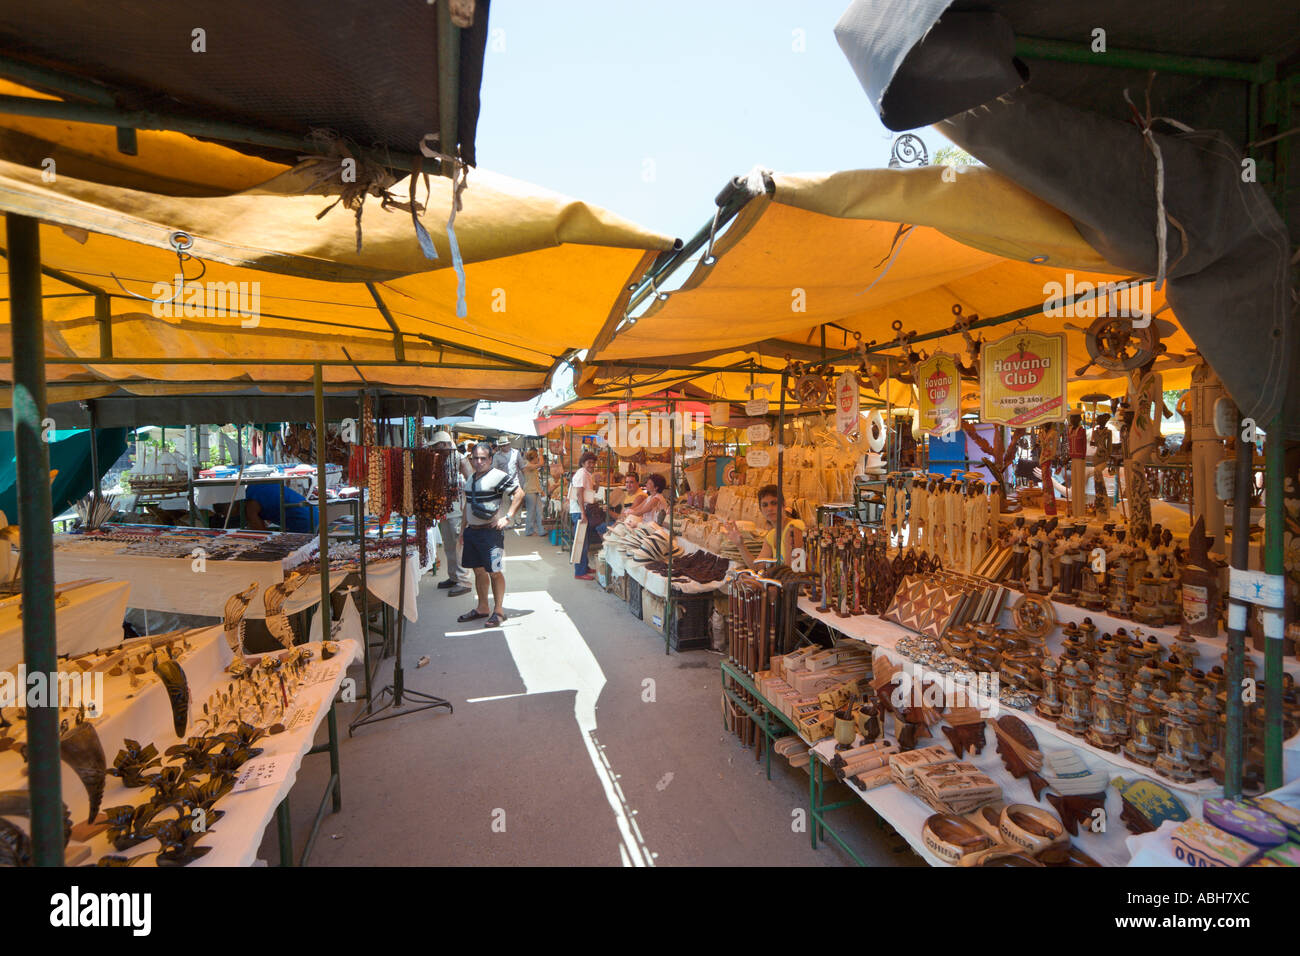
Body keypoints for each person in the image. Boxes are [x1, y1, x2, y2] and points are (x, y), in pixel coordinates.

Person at [457, 441, 525, 627]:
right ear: (471, 459)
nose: (479, 462)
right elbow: (467, 507)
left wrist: (508, 517)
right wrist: (463, 530)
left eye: (483, 458)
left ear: (490, 459)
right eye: (475, 458)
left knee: (494, 571)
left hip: (491, 533)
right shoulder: (471, 478)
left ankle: (499, 611)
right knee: (478, 570)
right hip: (473, 532)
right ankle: (482, 607)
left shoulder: (498, 476)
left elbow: (519, 493)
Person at [725, 483, 805, 569]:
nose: (769, 508)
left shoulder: (793, 528)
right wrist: (740, 545)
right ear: (760, 510)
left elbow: (791, 570)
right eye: (765, 505)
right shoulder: (771, 536)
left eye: (774, 503)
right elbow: (758, 566)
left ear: (783, 505)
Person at [433, 431, 472, 596]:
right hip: (444, 505)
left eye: (437, 445)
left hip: (457, 505)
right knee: (449, 543)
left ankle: (464, 580)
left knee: (458, 543)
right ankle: (454, 577)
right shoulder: (440, 459)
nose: (436, 448)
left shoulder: (460, 459)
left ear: (445, 444)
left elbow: (470, 480)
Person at [568, 451, 602, 579]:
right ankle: (580, 572)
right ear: (583, 463)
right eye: (589, 462)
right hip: (579, 511)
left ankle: (585, 567)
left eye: (593, 463)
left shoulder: (587, 474)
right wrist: (582, 513)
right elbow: (579, 494)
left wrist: (597, 482)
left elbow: (593, 491)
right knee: (581, 542)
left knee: (585, 541)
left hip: (583, 510)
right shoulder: (581, 474)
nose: (592, 465)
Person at [242, 480, 319, 533]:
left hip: (304, 521)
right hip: (313, 514)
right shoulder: (258, 486)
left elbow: (260, 531)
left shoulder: (251, 497)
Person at [493, 436, 525, 527]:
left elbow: (522, 466)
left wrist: (525, 480)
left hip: (516, 481)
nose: (505, 447)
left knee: (518, 501)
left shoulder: (516, 453)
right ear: (500, 447)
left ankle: (517, 520)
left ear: (509, 444)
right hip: (503, 483)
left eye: (506, 445)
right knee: (506, 503)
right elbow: (494, 469)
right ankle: (508, 522)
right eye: (502, 446)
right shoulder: (497, 456)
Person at [521, 449, 546, 536]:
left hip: (535, 491)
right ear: (533, 458)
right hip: (529, 491)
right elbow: (541, 463)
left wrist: (541, 490)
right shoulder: (528, 466)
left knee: (539, 511)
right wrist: (541, 453)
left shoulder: (532, 466)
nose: (538, 459)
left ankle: (541, 530)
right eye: (537, 457)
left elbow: (536, 481)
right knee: (531, 512)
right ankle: (529, 531)